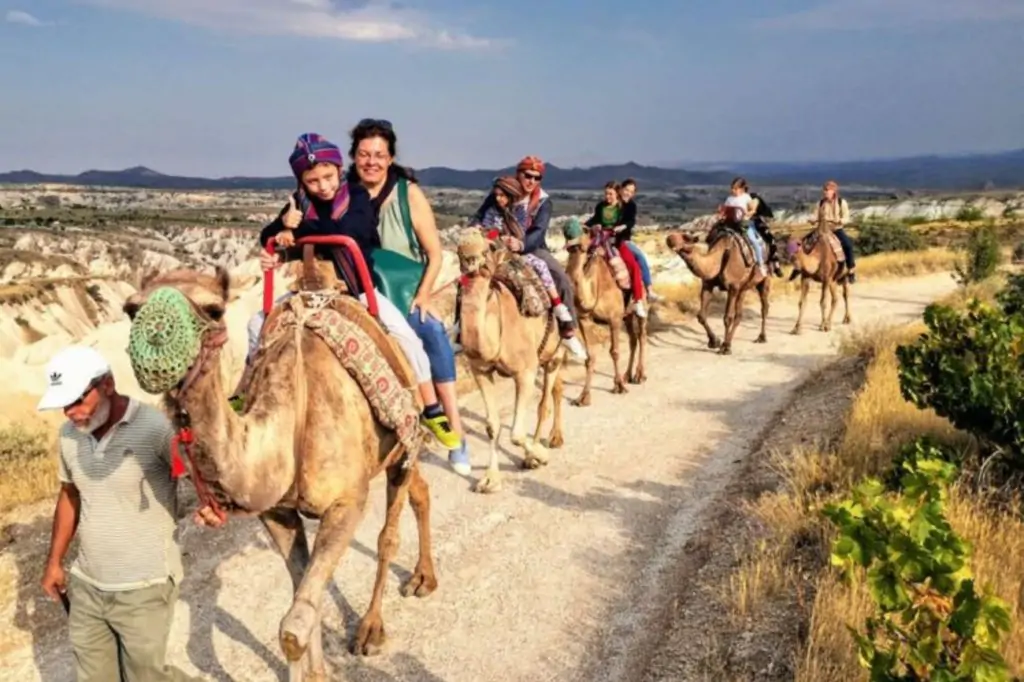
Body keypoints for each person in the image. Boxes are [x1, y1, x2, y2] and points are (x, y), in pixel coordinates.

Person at [248, 132, 461, 450]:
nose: (323, 186)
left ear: (338, 170)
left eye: (328, 177)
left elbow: (346, 231)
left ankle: (431, 409)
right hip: (313, 287)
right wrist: (280, 228)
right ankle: (248, 388)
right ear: (302, 181)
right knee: (256, 323)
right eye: (313, 181)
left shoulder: (356, 197)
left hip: (357, 287)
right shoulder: (299, 203)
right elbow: (269, 235)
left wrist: (297, 230)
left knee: (407, 338)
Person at [37, 345, 203, 682]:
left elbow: (198, 476)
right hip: (88, 585)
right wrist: (54, 562)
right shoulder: (69, 436)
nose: (70, 412)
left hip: (145, 585)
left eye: (78, 400)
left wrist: (210, 506)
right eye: (63, 404)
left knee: (146, 677)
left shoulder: (155, 429)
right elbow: (69, 495)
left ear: (107, 384)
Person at [345, 119, 472, 475]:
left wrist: (425, 294)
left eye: (379, 155)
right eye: (364, 154)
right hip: (358, 286)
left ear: (391, 158)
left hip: (403, 290)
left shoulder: (408, 193)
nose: (371, 161)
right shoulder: (344, 191)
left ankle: (454, 428)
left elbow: (434, 252)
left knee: (429, 332)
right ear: (353, 156)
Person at [469, 156, 584, 345]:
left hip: (532, 247)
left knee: (561, 278)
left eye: (537, 178)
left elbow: (538, 231)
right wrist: (473, 232)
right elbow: (480, 216)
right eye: (528, 175)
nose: (531, 181)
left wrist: (521, 244)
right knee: (468, 278)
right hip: (496, 244)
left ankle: (567, 328)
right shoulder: (502, 191)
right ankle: (461, 328)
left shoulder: (543, 202)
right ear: (519, 174)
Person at [584, 181, 649, 317]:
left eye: (610, 194)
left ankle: (637, 300)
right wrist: (588, 225)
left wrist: (622, 227)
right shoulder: (601, 206)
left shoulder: (622, 207)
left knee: (634, 266)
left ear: (617, 194)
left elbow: (630, 221)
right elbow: (595, 219)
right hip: (600, 240)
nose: (607, 196)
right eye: (606, 193)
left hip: (617, 241)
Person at [616, 178, 660, 301]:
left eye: (631, 191)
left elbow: (631, 221)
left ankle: (649, 289)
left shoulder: (631, 206)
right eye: (626, 190)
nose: (627, 193)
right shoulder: (614, 203)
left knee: (640, 257)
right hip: (608, 239)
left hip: (623, 240)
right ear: (621, 189)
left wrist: (623, 226)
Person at [811, 179, 855, 282]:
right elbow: (815, 215)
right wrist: (812, 219)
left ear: (833, 191)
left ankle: (851, 269)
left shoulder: (841, 202)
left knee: (848, 245)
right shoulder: (821, 203)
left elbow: (846, 217)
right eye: (824, 190)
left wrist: (839, 221)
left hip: (836, 229)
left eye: (827, 190)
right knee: (805, 242)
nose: (825, 192)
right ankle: (801, 267)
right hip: (822, 229)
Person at [722, 177, 767, 277]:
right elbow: (725, 211)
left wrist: (747, 214)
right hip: (731, 223)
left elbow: (752, 210)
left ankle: (760, 264)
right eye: (732, 188)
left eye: (735, 188)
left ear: (741, 189)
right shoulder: (729, 199)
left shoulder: (746, 197)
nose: (733, 190)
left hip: (744, 223)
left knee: (754, 241)